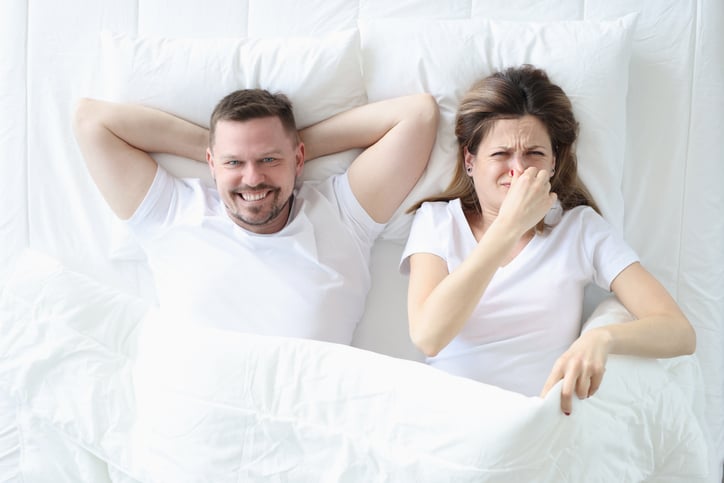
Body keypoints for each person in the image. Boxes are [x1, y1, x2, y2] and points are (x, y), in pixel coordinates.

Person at [400, 65, 695, 414]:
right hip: (448, 415)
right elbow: (428, 336)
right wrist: (509, 225)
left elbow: (679, 332)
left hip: (534, 424)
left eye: (534, 154)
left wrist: (600, 338)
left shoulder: (580, 228)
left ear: (554, 162)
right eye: (500, 154)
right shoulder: (438, 221)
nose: (519, 169)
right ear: (470, 159)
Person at [73, 89, 438, 344]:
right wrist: (225, 149)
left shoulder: (342, 215)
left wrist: (283, 146)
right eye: (234, 163)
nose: (252, 179)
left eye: (268, 160)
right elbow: (91, 119)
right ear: (211, 162)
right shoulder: (172, 212)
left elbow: (417, 114)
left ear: (299, 159)